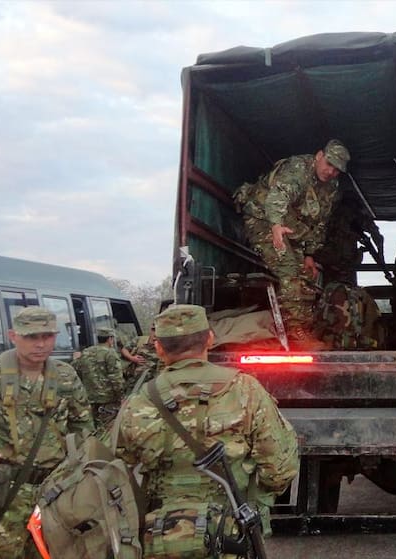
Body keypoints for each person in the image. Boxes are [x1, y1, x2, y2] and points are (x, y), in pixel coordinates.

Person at [116, 304, 299, 557]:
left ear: (158, 347)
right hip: (230, 528)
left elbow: (117, 467)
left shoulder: (141, 399)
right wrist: (257, 502)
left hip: (160, 533)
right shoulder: (245, 389)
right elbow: (280, 469)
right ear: (210, 339)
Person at [0, 307, 94, 559]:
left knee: (52, 552)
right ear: (13, 335)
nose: (41, 344)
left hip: (55, 488)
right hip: (6, 488)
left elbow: (83, 425)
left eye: (48, 336)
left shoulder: (65, 375)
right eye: (32, 337)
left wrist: (79, 469)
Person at [234, 139, 350, 349]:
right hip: (263, 221)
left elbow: (319, 222)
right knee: (289, 271)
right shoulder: (298, 170)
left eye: (337, 170)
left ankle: (303, 327)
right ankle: (296, 333)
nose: (331, 171)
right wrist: (276, 225)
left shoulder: (330, 187)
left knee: (306, 274)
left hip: (289, 228)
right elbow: (278, 197)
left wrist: (309, 254)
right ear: (319, 156)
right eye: (329, 164)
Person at [71, 326, 125, 429]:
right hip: (108, 400)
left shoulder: (86, 352)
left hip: (89, 398)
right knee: (107, 428)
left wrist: (75, 359)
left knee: (92, 427)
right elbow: (116, 379)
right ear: (110, 339)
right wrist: (121, 397)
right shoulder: (110, 353)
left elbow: (75, 369)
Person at [124, 321, 160, 394]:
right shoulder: (140, 340)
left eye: (158, 330)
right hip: (133, 380)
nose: (155, 333)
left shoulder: (163, 344)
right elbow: (124, 349)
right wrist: (132, 358)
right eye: (153, 330)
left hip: (151, 383)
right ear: (151, 330)